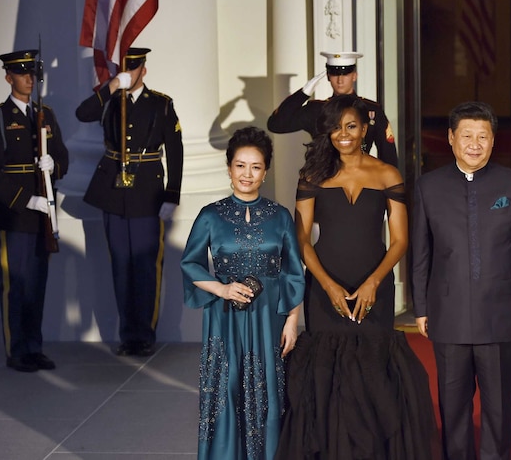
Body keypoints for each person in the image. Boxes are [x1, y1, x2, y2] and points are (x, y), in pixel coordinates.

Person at [276, 94, 434, 459]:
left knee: (373, 374)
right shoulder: (313, 173)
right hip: (323, 286)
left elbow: (399, 240)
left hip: (372, 287)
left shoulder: (387, 174)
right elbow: (300, 238)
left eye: (350, 127)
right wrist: (328, 285)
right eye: (335, 127)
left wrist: (374, 282)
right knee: (328, 377)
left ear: (365, 129)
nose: (342, 135)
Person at [412, 101, 511, 460]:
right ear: (451, 138)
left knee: (498, 408)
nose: (474, 143)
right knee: (452, 409)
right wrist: (420, 307)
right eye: (466, 135)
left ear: (493, 140)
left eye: (482, 136)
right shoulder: (428, 187)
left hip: (501, 314)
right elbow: (421, 252)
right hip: (447, 315)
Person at [181, 126, 304, 459]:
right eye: (240, 165)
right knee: (227, 384)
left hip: (270, 316)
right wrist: (222, 288)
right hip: (225, 317)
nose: (247, 174)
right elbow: (190, 264)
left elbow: (294, 271)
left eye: (255, 167)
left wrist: (292, 321)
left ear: (265, 171)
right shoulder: (210, 215)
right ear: (229, 167)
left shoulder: (280, 216)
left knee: (269, 389)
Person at [75, 48, 183, 357]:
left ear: (143, 71)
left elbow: (175, 150)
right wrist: (110, 87)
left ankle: (145, 334)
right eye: (123, 70)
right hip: (114, 193)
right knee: (121, 266)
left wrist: (171, 194)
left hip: (148, 192)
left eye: (133, 70)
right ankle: (128, 335)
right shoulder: (110, 101)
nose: (128, 74)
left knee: (146, 267)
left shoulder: (161, 104)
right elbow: (83, 114)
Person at [0, 49, 68, 372]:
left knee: (37, 284)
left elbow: (62, 155)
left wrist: (55, 165)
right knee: (16, 284)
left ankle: (34, 347)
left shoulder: (44, 114)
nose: (28, 79)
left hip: (42, 214)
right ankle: (17, 349)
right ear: (9, 78)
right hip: (15, 212)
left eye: (31, 73)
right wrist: (25, 199)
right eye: (22, 74)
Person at [267, 51, 398, 167]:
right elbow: (276, 125)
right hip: (324, 182)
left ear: (354, 76)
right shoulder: (316, 110)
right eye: (335, 74)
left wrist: (387, 191)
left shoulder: (371, 111)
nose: (340, 80)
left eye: (345, 73)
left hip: (360, 181)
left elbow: (388, 155)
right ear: (328, 76)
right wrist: (303, 93)